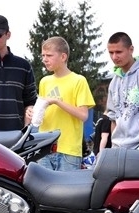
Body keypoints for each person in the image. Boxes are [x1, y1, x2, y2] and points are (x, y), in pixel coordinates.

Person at [36, 36, 95, 171]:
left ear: (63, 57)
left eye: (49, 55)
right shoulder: (44, 81)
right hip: (44, 147)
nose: (44, 59)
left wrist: (57, 101)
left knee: (67, 185)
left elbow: (83, 115)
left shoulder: (78, 80)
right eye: (43, 55)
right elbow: (43, 112)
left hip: (69, 150)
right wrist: (33, 113)